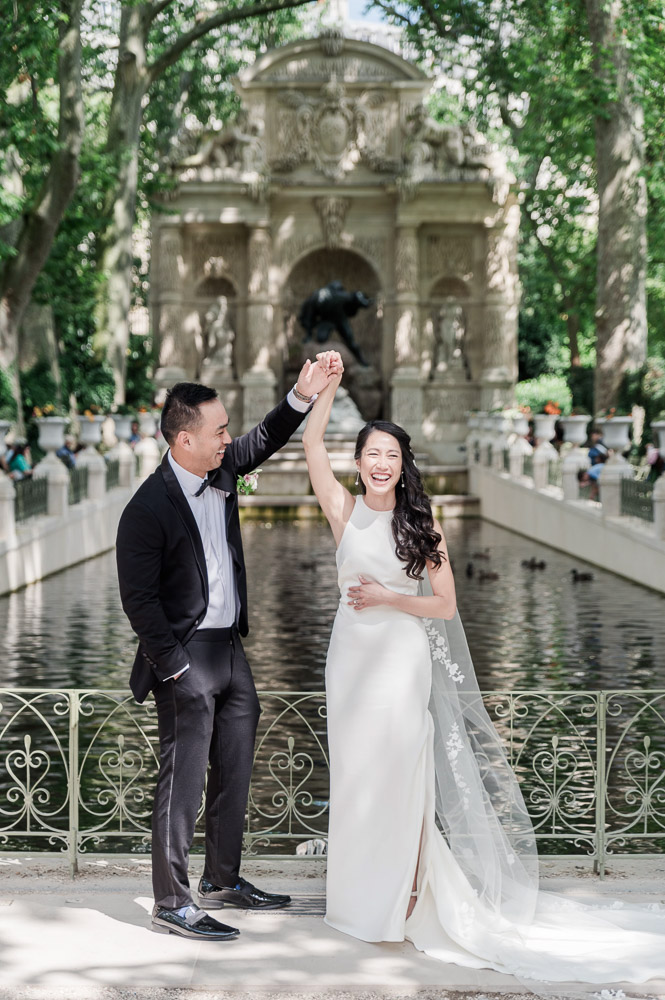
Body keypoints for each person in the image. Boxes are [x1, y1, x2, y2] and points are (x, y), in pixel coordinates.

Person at [303, 371, 665, 990]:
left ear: (402, 464)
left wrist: (391, 596)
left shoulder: (422, 524)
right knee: (357, 774)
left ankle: (406, 901)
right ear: (358, 463)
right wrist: (327, 388)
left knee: (402, 778)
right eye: (371, 455)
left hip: (400, 659)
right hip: (350, 663)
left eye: (391, 455)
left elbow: (443, 606)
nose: (381, 464)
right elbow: (311, 446)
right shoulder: (344, 511)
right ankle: (357, 902)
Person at [116, 353, 342, 942]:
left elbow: (265, 437)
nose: (227, 438)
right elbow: (139, 603)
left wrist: (303, 392)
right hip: (184, 657)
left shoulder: (220, 468)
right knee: (181, 781)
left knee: (236, 769)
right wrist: (176, 668)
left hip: (230, 652)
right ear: (184, 438)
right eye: (218, 430)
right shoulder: (146, 509)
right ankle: (172, 900)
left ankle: (223, 879)